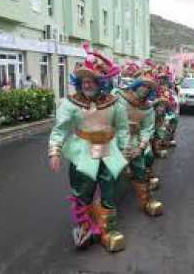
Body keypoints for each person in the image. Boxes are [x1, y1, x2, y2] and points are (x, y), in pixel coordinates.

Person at [48, 44, 129, 252]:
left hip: (108, 151)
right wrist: (55, 151)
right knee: (82, 191)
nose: (86, 85)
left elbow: (122, 129)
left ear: (101, 82)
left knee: (109, 191)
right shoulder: (70, 104)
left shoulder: (115, 103)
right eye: (83, 81)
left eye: (91, 81)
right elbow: (59, 129)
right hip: (82, 153)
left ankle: (105, 229)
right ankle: (84, 227)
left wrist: (124, 151)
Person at [114, 67, 164, 208]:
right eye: (142, 85)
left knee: (140, 170)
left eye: (148, 88)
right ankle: (106, 208)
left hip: (135, 142)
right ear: (136, 85)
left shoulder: (147, 108)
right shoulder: (119, 97)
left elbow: (148, 128)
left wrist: (141, 147)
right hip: (115, 141)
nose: (145, 89)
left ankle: (146, 202)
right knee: (111, 174)